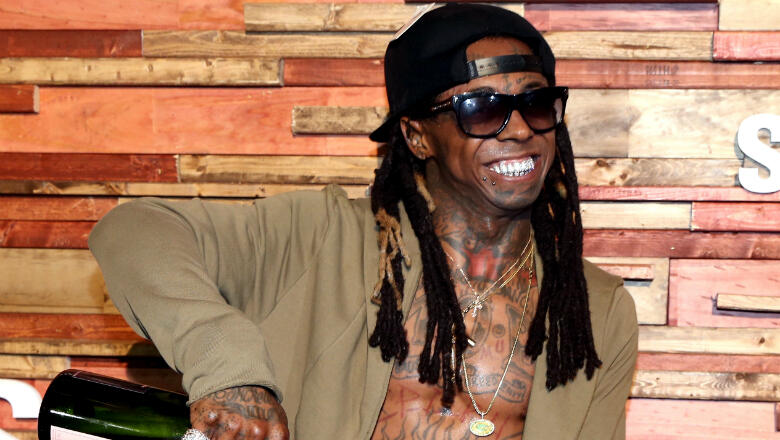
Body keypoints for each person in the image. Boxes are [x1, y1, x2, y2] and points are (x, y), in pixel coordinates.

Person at [89, 4, 638, 440]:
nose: (518, 129)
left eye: (537, 103)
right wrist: (229, 368)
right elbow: (134, 232)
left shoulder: (596, 310)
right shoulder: (323, 237)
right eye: (482, 109)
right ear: (417, 136)